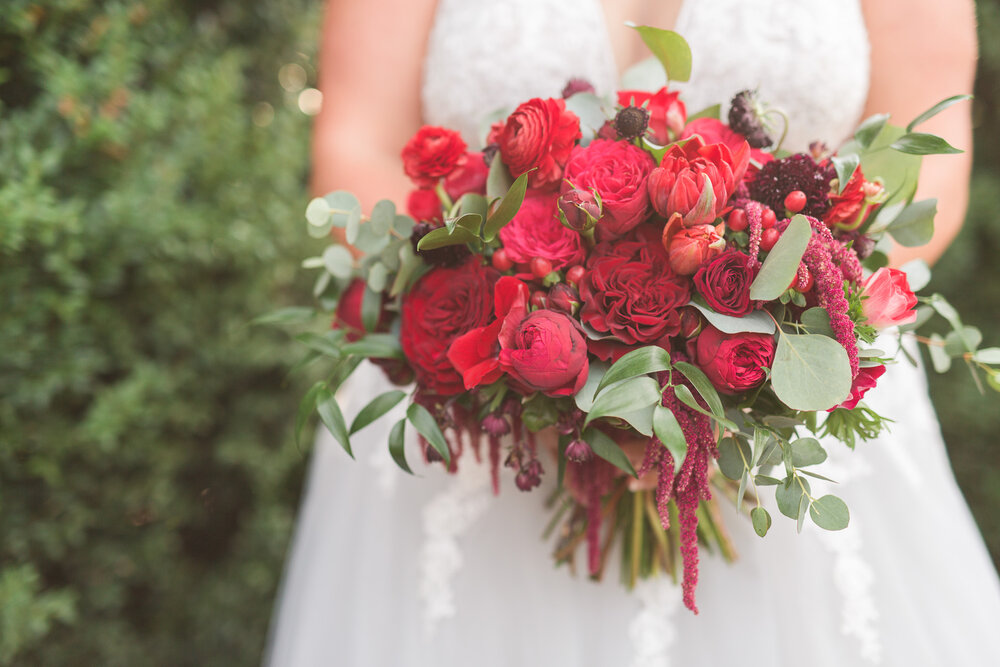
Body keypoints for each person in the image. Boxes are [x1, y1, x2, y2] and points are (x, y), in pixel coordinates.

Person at [266, 1, 1000, 665]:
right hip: (476, 419)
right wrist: (542, 361)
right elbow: (356, 149)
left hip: (786, 425)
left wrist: (753, 355)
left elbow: (930, 165)